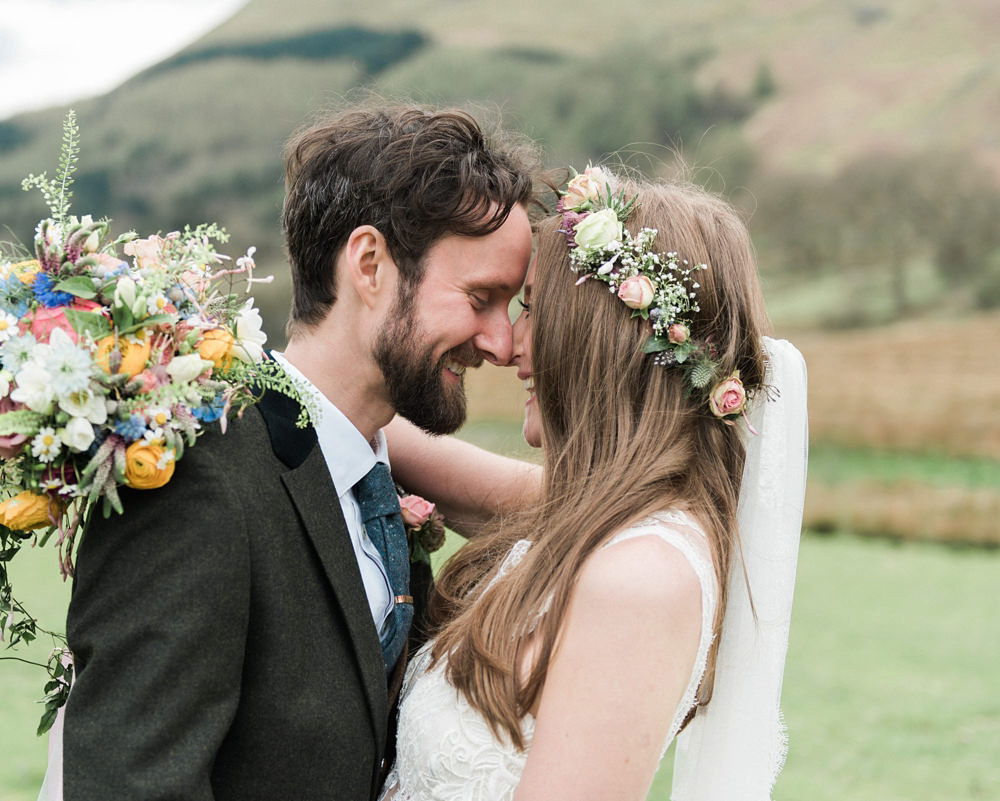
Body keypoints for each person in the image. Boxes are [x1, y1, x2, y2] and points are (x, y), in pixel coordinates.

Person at [40, 102, 539, 800]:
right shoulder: (199, 474)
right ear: (370, 265)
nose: (501, 342)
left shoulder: (372, 472)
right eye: (481, 297)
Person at [381, 167, 807, 800]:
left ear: (600, 336)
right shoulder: (590, 518)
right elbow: (382, 437)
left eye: (533, 308)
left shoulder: (640, 575)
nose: (508, 343)